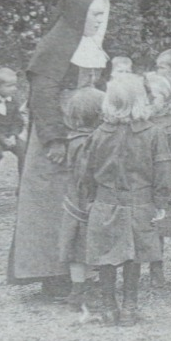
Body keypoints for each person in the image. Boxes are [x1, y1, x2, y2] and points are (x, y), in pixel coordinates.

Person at [9, 0, 110, 296]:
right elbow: (42, 96)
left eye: (101, 14)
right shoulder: (54, 46)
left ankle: (79, 271)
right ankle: (52, 275)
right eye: (94, 14)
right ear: (77, 15)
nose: (99, 20)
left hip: (85, 128)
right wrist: (54, 139)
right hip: (59, 134)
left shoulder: (90, 45)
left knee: (80, 198)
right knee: (50, 203)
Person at [77, 74, 157, 326]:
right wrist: (162, 200)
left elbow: (85, 171)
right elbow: (162, 168)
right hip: (139, 202)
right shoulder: (152, 133)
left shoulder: (99, 134)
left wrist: (88, 198)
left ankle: (109, 307)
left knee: (106, 255)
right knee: (134, 255)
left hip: (105, 202)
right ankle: (129, 308)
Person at [56, 86, 106, 313]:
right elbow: (88, 173)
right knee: (88, 244)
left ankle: (78, 289)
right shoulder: (89, 142)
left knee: (78, 247)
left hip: (74, 199)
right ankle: (87, 288)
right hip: (86, 200)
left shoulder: (73, 139)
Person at [142, 71, 171, 290]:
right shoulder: (140, 124)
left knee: (157, 228)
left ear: (168, 100)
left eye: (154, 98)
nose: (149, 102)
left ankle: (156, 268)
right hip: (140, 183)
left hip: (160, 186)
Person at [0, 67, 26, 206]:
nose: (14, 88)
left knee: (24, 152)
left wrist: (14, 135)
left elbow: (18, 120)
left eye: (15, 85)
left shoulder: (12, 100)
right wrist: (3, 139)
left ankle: (23, 187)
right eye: (9, 86)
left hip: (11, 135)